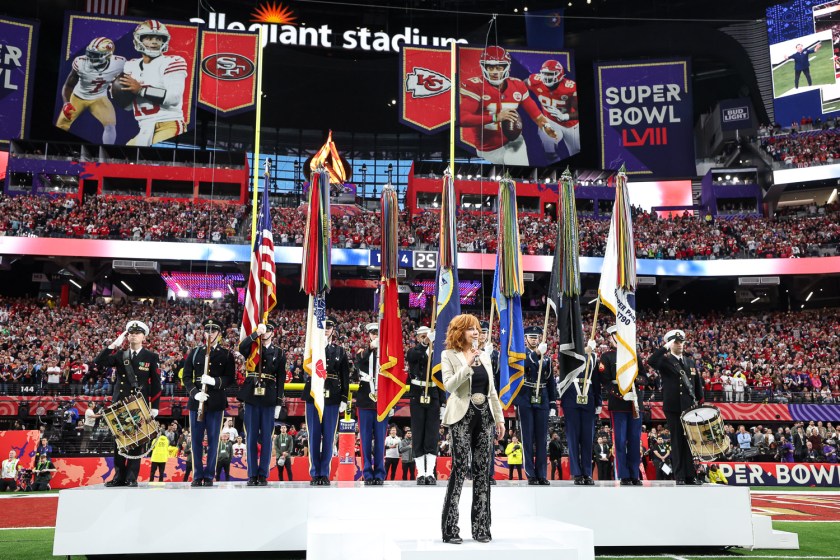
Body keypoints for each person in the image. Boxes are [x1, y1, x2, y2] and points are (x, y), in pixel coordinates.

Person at [440, 314, 505, 545]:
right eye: (470, 329)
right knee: (459, 469)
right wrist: (467, 365)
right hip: (461, 416)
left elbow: (492, 390)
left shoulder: (484, 355)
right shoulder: (448, 355)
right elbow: (449, 385)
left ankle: (481, 528)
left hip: (485, 416)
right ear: (459, 332)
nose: (476, 332)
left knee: (482, 471)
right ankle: (450, 529)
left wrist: (500, 419)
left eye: (477, 328)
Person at [459, 46, 558, 165]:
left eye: (499, 67)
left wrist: (547, 126)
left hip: (513, 142)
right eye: (490, 67)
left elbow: (536, 115)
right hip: (487, 149)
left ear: (506, 67)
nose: (494, 72)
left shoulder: (517, 85)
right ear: (484, 67)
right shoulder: (475, 86)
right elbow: (461, 118)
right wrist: (495, 117)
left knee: (516, 166)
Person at [94, 320, 160, 488]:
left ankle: (131, 477)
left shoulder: (151, 357)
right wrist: (113, 345)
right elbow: (99, 361)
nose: (133, 335)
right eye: (130, 333)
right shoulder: (119, 355)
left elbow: (156, 383)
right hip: (120, 404)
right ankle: (118, 476)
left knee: (137, 441)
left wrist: (155, 407)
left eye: (137, 333)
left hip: (138, 404)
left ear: (144, 337)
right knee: (119, 441)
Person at [116, 20, 188, 146]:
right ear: (138, 40)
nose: (154, 42)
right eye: (149, 38)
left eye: (159, 39)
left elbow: (174, 97)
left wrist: (141, 90)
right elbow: (128, 107)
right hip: (144, 127)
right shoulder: (130, 65)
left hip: (168, 125)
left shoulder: (172, 62)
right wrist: (117, 93)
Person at [647, 329, 704, 485]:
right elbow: (651, 361)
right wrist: (665, 347)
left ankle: (690, 475)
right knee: (677, 440)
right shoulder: (665, 360)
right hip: (673, 406)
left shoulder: (690, 362)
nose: (680, 345)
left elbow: (696, 383)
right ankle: (680, 475)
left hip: (688, 407)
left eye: (681, 342)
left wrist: (700, 401)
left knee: (689, 441)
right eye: (676, 342)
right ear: (671, 344)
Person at [182, 318, 235, 487]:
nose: (210, 334)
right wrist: (195, 393)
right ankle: (197, 475)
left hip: (216, 402)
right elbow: (186, 377)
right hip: (197, 402)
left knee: (213, 440)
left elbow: (230, 379)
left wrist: (214, 381)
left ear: (219, 334)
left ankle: (209, 475)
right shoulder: (195, 352)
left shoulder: (226, 354)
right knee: (196, 441)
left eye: (213, 331)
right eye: (207, 331)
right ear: (203, 333)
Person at [302, 315, 349, 486]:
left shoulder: (340, 351)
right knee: (314, 435)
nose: (326, 330)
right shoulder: (312, 349)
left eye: (329, 327)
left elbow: (345, 377)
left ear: (333, 330)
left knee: (329, 436)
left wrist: (344, 397)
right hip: (313, 394)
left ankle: (325, 473)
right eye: (324, 327)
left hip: (332, 396)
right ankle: (315, 473)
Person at [238, 320, 286, 486]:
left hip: (269, 397)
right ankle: (252, 474)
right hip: (252, 395)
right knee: (251, 436)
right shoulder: (253, 348)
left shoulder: (279, 352)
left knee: (267, 437)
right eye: (263, 330)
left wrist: (279, 402)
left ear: (272, 332)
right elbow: (241, 347)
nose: (265, 333)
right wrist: (255, 334)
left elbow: (281, 379)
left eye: (267, 330)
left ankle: (263, 474)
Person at [598, 325, 644, 485]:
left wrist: (634, 380)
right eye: (615, 336)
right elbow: (605, 381)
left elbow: (644, 377)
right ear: (611, 338)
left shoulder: (633, 355)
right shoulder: (607, 357)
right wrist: (622, 394)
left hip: (635, 403)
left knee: (635, 440)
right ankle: (624, 475)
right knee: (620, 440)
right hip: (618, 403)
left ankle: (634, 474)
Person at [56, 37, 124, 144]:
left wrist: (116, 84)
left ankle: (107, 152)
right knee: (61, 125)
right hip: (77, 97)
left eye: (95, 55)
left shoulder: (119, 63)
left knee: (110, 126)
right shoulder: (80, 63)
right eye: (90, 53)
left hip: (99, 98)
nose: (90, 57)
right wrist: (66, 103)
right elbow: (68, 85)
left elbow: (125, 77)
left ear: (107, 55)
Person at [514, 325, 556, 485]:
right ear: (525, 339)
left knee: (541, 438)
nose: (534, 340)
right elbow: (521, 367)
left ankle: (542, 473)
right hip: (525, 397)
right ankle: (530, 474)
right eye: (531, 337)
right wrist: (536, 353)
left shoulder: (547, 358)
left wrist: (553, 403)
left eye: (536, 337)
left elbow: (550, 382)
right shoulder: (520, 355)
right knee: (527, 437)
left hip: (542, 398)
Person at [406, 325, 444, 485]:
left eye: (427, 336)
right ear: (417, 338)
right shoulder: (414, 351)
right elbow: (412, 357)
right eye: (422, 336)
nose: (425, 339)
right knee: (418, 434)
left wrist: (443, 403)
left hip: (433, 395)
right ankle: (420, 473)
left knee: (432, 435)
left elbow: (441, 379)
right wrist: (424, 344)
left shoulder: (437, 354)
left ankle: (430, 473)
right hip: (417, 395)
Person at [560, 335, 600, 485]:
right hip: (571, 402)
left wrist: (599, 402)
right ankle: (577, 473)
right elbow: (573, 362)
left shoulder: (593, 357)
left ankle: (587, 473)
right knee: (573, 439)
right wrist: (587, 351)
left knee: (587, 439)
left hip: (588, 401)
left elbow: (596, 381)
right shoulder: (568, 355)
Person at [355, 322, 387, 485]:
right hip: (365, 401)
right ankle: (367, 472)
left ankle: (380, 473)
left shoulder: (387, 353)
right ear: (369, 335)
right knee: (365, 439)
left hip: (383, 401)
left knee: (381, 440)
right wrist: (370, 348)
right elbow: (359, 362)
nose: (375, 336)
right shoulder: (362, 351)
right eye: (373, 333)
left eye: (378, 333)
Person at [525, 59, 580, 157]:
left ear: (559, 75)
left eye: (550, 74)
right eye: (545, 73)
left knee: (576, 152)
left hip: (571, 125)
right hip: (551, 121)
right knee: (548, 145)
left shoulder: (570, 88)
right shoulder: (536, 81)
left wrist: (564, 116)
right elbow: (521, 86)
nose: (547, 77)